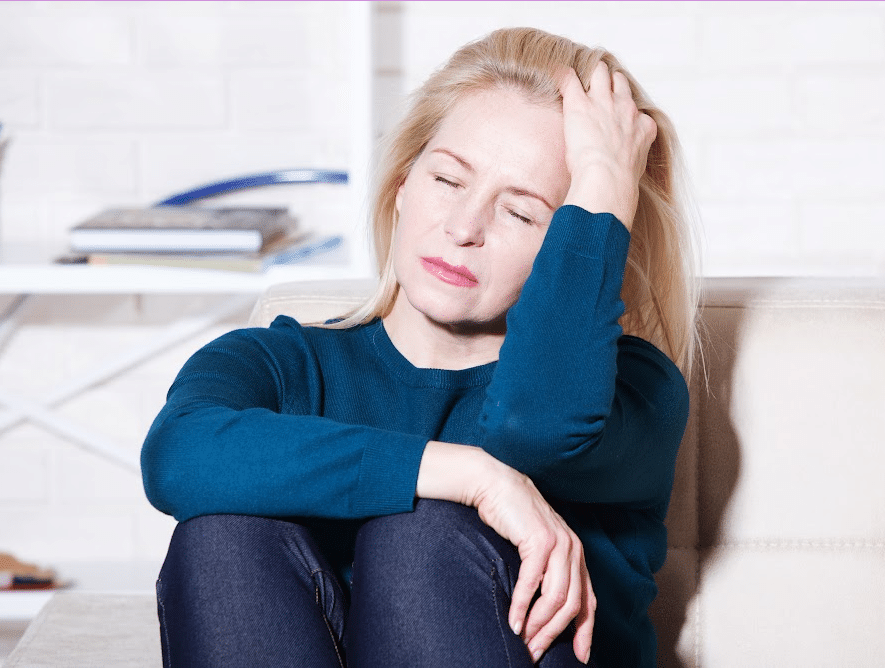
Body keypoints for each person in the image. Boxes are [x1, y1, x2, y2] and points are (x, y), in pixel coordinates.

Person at [141, 26, 697, 668]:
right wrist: (471, 476)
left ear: (579, 240)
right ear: (402, 184)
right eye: (448, 180)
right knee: (220, 537)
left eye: (522, 213)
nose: (464, 228)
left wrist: (604, 180)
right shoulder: (279, 366)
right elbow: (176, 456)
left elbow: (535, 428)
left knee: (420, 534)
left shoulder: (634, 393)